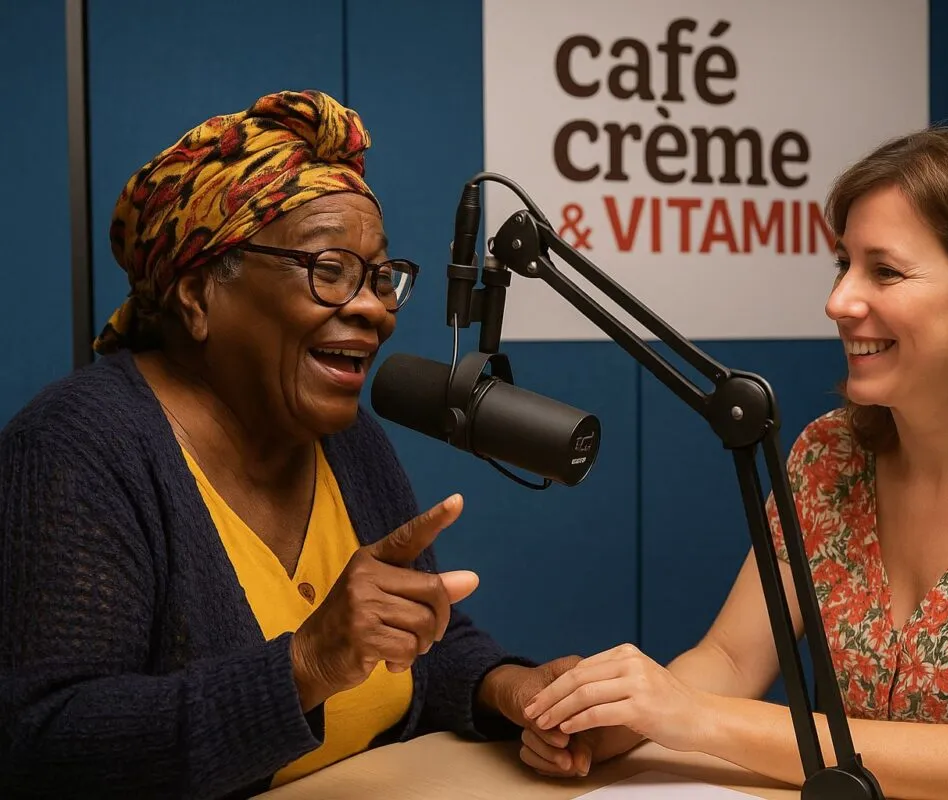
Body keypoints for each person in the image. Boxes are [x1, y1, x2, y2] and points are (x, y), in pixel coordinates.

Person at [516, 126, 948, 798]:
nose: (839, 302)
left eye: (885, 271)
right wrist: (613, 720)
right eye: (843, 264)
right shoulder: (830, 455)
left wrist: (696, 719)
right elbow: (730, 658)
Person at [0, 89, 578, 799]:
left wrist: (515, 690)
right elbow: (45, 748)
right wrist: (305, 664)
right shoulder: (77, 449)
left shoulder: (348, 440)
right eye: (328, 270)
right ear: (198, 294)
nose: (372, 308)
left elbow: (412, 643)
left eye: (380, 277)